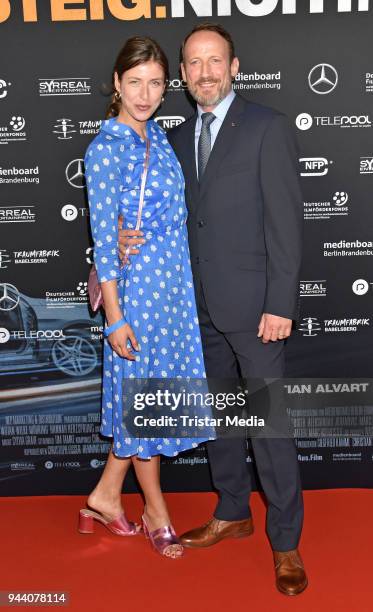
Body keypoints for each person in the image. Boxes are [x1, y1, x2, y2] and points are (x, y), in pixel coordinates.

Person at [118, 24, 307, 594]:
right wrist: (126, 240)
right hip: (193, 308)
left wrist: (280, 303)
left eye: (214, 61)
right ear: (182, 73)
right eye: (194, 63)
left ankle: (287, 543)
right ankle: (232, 511)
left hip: (255, 311)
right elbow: (167, 219)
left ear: (235, 66)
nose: (205, 72)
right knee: (223, 420)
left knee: (267, 429)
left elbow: (286, 224)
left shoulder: (267, 128)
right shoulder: (173, 139)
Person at [79, 36, 212, 559]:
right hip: (136, 296)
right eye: (135, 82)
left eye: (156, 83)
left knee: (150, 399)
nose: (145, 93)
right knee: (146, 407)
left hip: (172, 294)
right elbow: (103, 244)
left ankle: (105, 496)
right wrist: (114, 317)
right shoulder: (106, 147)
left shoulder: (157, 136)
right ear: (116, 83)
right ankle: (156, 511)